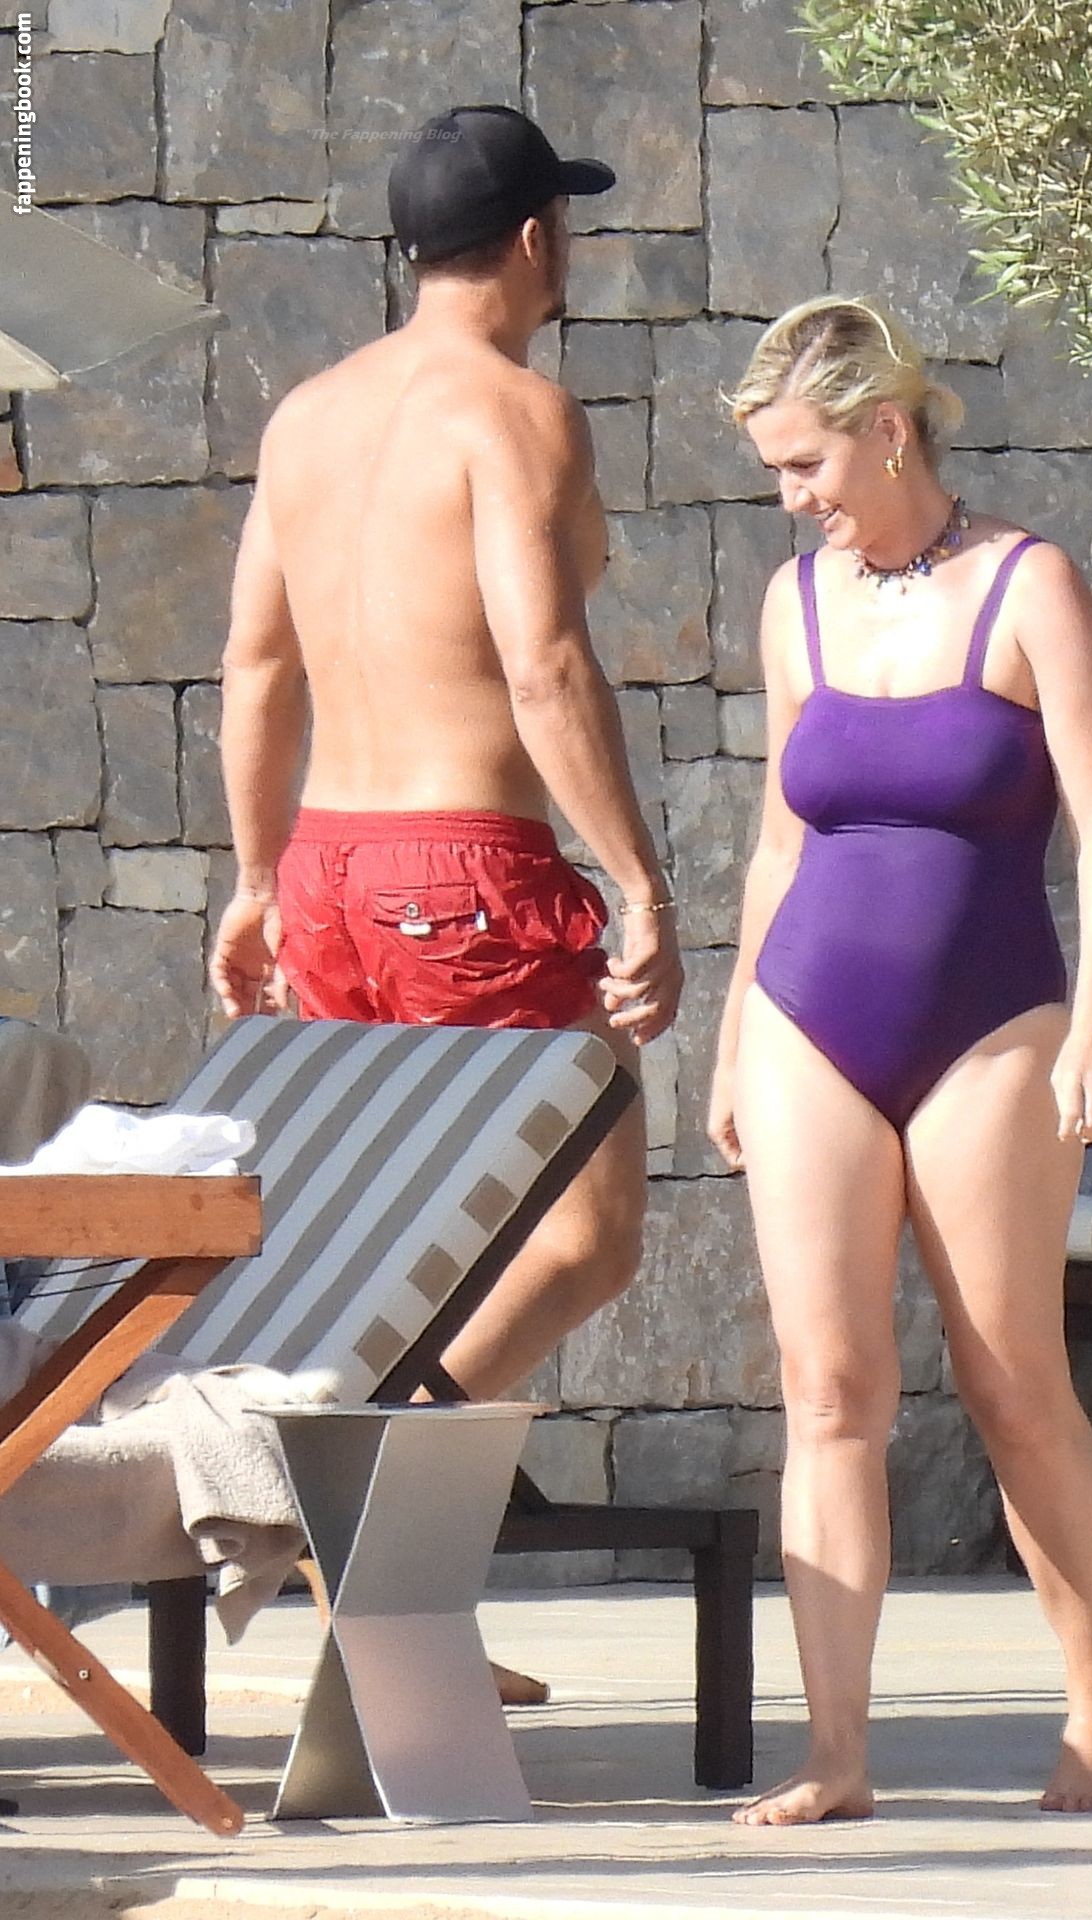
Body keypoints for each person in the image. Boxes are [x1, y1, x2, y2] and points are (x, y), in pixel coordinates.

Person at [709, 297, 1092, 1825]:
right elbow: (778, 842)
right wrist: (730, 1035)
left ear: (886, 431)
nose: (790, 497)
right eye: (775, 471)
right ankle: (835, 1754)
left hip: (992, 1026)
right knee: (825, 1390)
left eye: (805, 463)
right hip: (805, 1018)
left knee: (1012, 1382)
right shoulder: (795, 605)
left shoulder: (1028, 584)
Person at [210, 105, 682, 1409]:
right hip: (467, 868)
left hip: (325, 873)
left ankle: (349, 1473)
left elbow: (256, 668)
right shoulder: (519, 414)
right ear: (536, 238)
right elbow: (545, 666)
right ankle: (364, 1454)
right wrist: (640, 887)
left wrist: (253, 882)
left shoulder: (304, 419)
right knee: (587, 1234)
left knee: (384, 1233)